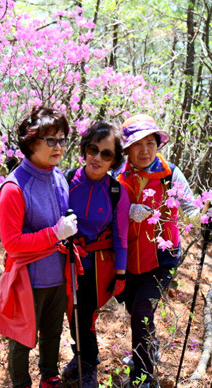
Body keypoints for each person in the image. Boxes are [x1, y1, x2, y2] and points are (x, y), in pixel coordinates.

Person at [0, 106, 78, 388]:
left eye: (62, 139)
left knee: (53, 332)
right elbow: (11, 243)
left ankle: (49, 377)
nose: (58, 146)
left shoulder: (58, 176)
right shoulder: (14, 187)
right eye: (51, 140)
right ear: (30, 143)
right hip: (29, 278)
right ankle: (21, 383)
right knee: (21, 338)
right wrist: (55, 233)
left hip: (58, 274)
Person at [114, 114, 200, 387]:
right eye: (137, 144)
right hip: (127, 258)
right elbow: (105, 211)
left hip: (162, 258)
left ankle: (142, 377)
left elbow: (191, 209)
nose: (145, 150)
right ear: (127, 149)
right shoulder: (117, 175)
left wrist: (207, 215)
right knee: (136, 310)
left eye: (150, 143)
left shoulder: (170, 173)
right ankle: (149, 349)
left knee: (142, 311)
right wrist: (127, 211)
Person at [61, 121, 130, 388]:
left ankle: (89, 364)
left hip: (93, 265)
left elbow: (121, 236)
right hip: (61, 259)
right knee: (69, 313)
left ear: (114, 160)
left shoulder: (116, 192)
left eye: (106, 154)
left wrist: (120, 275)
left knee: (85, 314)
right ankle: (77, 357)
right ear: (85, 149)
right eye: (93, 149)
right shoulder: (66, 181)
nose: (97, 158)